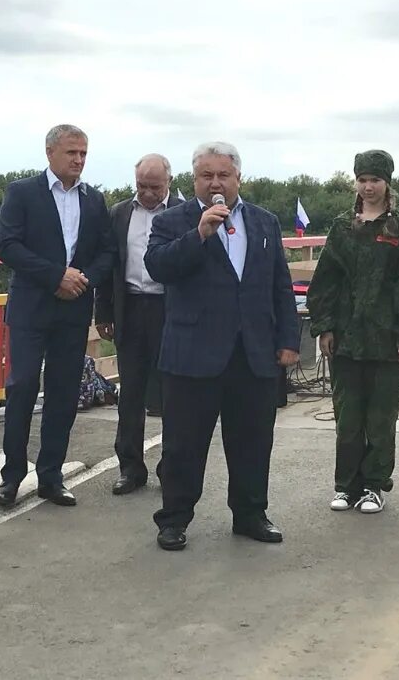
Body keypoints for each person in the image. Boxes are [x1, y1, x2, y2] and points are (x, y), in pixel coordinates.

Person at [144, 141, 299, 551]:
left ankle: (250, 514)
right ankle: (174, 519)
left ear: (238, 179)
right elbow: (158, 267)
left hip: (253, 353)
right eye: (206, 176)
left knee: (252, 441)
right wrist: (199, 234)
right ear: (194, 180)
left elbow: (279, 285)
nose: (215, 183)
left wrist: (288, 339)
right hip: (192, 353)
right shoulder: (172, 220)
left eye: (223, 175)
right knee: (183, 444)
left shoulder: (264, 222)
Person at [0, 125, 113, 509]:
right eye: (71, 153)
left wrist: (83, 278)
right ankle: (12, 476)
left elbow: (108, 253)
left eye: (83, 154)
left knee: (63, 394)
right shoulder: (22, 192)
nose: (78, 160)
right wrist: (54, 275)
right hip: (32, 307)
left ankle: (51, 476)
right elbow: (8, 246)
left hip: (74, 309)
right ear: (50, 153)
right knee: (23, 387)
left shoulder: (94, 200)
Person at [306, 149, 399, 514]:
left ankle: (374, 486)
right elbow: (325, 282)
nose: (368, 187)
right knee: (348, 418)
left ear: (387, 183)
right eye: (363, 180)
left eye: (375, 180)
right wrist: (324, 327)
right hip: (347, 340)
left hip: (386, 341)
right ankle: (346, 485)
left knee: (380, 419)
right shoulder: (342, 227)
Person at [94, 153, 183, 495]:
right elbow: (110, 264)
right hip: (130, 306)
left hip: (169, 308)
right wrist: (103, 312)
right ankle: (130, 468)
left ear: (169, 183)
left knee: (172, 393)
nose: (146, 193)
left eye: (154, 187)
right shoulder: (119, 213)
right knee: (130, 393)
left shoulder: (183, 213)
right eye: (141, 186)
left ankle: (170, 467)